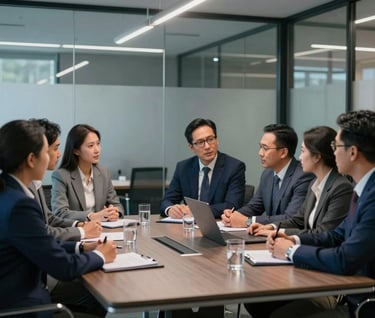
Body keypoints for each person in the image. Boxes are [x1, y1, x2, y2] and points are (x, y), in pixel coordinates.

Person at [255, 110, 375, 318]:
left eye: (335, 146)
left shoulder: (369, 195)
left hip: (361, 302)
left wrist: (291, 251)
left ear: (353, 152)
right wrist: (293, 238)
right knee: (263, 305)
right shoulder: (363, 189)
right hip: (351, 290)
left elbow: (345, 258)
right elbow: (336, 234)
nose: (333, 152)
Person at [0, 119, 116, 316]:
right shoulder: (20, 205)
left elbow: (39, 243)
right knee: (101, 288)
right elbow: (63, 267)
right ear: (31, 159)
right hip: (26, 307)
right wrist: (100, 255)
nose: (56, 155)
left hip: (16, 296)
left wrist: (81, 246)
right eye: (47, 151)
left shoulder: (9, 193)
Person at [249, 126, 353, 238]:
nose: (300, 157)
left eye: (303, 151)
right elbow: (298, 220)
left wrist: (283, 233)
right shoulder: (314, 183)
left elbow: (323, 233)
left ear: (317, 157)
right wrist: (272, 227)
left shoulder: (341, 188)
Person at [221, 123, 314, 228]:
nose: (260, 153)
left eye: (265, 148)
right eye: (260, 147)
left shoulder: (303, 176)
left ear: (283, 152)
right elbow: (254, 206)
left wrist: (248, 222)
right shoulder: (268, 174)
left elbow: (291, 218)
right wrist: (234, 215)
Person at [30, 118, 102, 241]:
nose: (59, 154)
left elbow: (49, 219)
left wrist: (79, 225)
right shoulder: (21, 192)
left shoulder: (34, 183)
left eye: (98, 144)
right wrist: (82, 231)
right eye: (55, 148)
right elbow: (42, 232)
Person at [160, 118, 246, 218]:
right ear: (191, 147)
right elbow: (166, 201)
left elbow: (232, 205)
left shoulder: (234, 167)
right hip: (189, 227)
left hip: (219, 226)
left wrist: (196, 212)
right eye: (200, 142)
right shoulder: (183, 168)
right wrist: (170, 209)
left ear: (217, 140)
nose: (207, 146)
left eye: (210, 139)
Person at [51, 124, 124, 222]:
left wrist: (115, 212)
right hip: (77, 232)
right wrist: (92, 216)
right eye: (91, 146)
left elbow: (117, 204)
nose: (97, 150)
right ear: (76, 151)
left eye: (98, 144)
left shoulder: (103, 172)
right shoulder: (61, 176)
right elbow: (60, 212)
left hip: (103, 231)